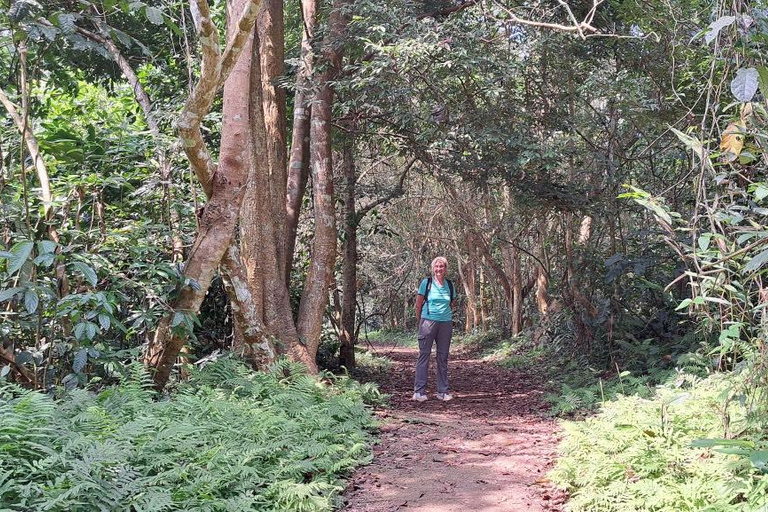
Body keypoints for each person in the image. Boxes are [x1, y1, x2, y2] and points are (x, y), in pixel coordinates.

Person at [412, 256, 454, 402]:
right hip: (428, 321)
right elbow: (418, 304)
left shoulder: (449, 284)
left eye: (441, 266)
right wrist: (420, 321)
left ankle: (442, 392)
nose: (439, 269)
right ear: (433, 268)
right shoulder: (426, 283)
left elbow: (451, 303)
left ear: (445, 268)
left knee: (442, 357)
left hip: (445, 323)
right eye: (436, 266)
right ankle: (419, 391)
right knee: (424, 355)